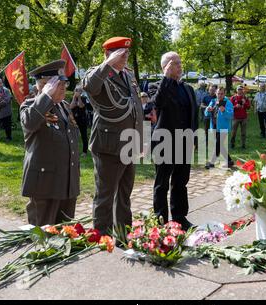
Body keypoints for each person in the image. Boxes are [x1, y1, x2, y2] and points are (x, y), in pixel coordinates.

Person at [82, 37, 143, 238]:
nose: (126, 57)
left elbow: (136, 108)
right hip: (108, 146)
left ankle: (123, 235)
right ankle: (102, 237)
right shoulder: (97, 73)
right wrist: (106, 64)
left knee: (125, 194)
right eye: (121, 53)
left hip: (129, 144)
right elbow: (90, 87)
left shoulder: (128, 75)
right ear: (108, 54)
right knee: (105, 196)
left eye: (127, 53)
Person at [20, 59, 80, 226]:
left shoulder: (64, 106)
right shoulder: (30, 105)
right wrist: (45, 95)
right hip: (45, 185)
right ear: (44, 85)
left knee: (66, 233)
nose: (64, 86)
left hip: (67, 181)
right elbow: (30, 123)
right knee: (44, 235)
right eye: (58, 83)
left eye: (64, 82)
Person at [152, 51, 198, 231]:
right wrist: (166, 77)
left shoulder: (188, 89)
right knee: (162, 182)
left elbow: (194, 115)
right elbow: (158, 103)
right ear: (165, 67)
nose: (179, 66)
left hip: (184, 141)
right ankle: (161, 219)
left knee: (180, 181)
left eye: (180, 63)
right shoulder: (156, 86)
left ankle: (179, 217)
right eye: (175, 63)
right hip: (164, 141)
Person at [205, 86, 234, 169]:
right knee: (221, 145)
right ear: (216, 93)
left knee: (218, 144)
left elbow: (231, 116)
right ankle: (229, 161)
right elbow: (206, 113)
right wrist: (208, 109)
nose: (220, 95)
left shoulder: (228, 102)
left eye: (221, 94)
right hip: (214, 127)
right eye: (218, 93)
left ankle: (212, 162)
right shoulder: (213, 101)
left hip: (223, 128)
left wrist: (224, 111)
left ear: (224, 94)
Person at [69, 86, 89, 156]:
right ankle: (74, 151)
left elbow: (81, 105)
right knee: (73, 135)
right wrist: (74, 97)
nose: (77, 92)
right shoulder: (72, 98)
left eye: (79, 90)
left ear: (81, 92)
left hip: (82, 119)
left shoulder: (84, 98)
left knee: (84, 136)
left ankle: (84, 152)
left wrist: (79, 97)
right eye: (76, 90)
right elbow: (71, 106)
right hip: (74, 119)